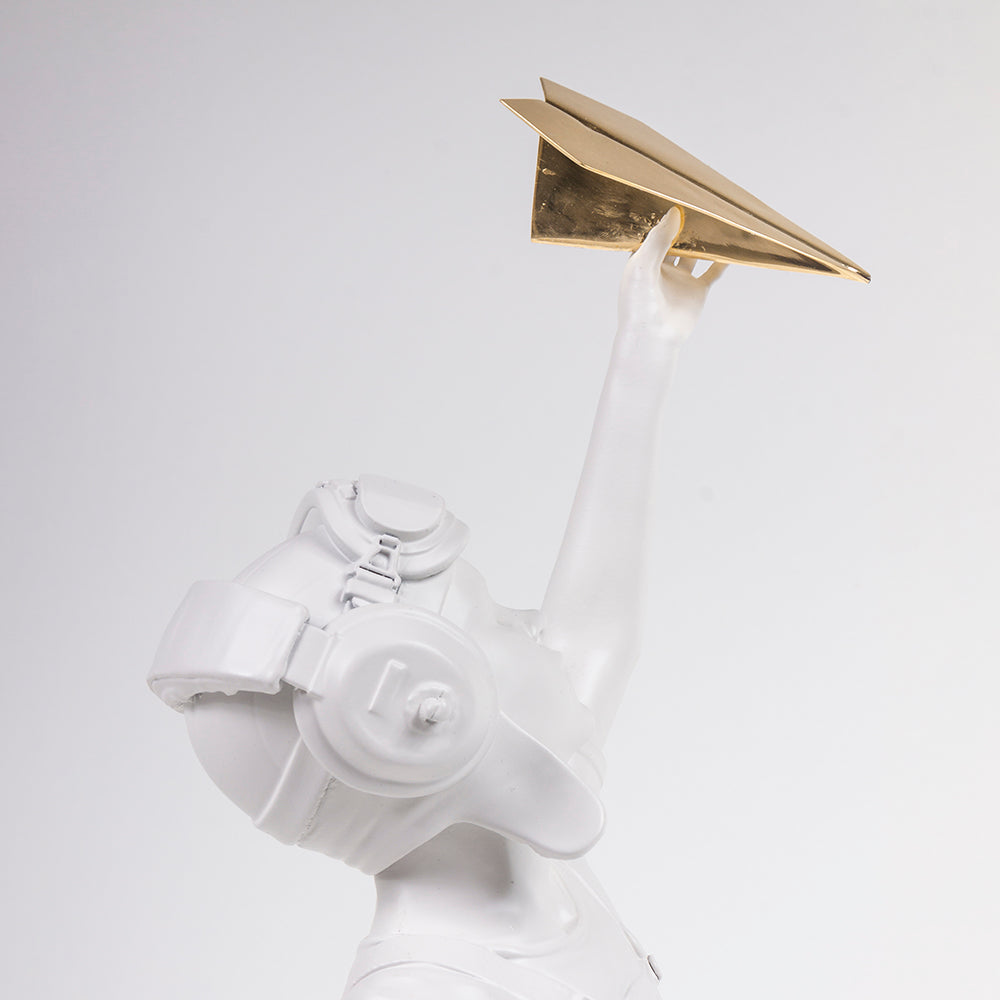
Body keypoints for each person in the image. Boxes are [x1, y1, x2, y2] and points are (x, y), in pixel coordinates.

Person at [150, 208, 726, 999]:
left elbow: (593, 633)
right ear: (432, 716)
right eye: (493, 622)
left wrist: (647, 345)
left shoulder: (540, 875)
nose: (532, 625)